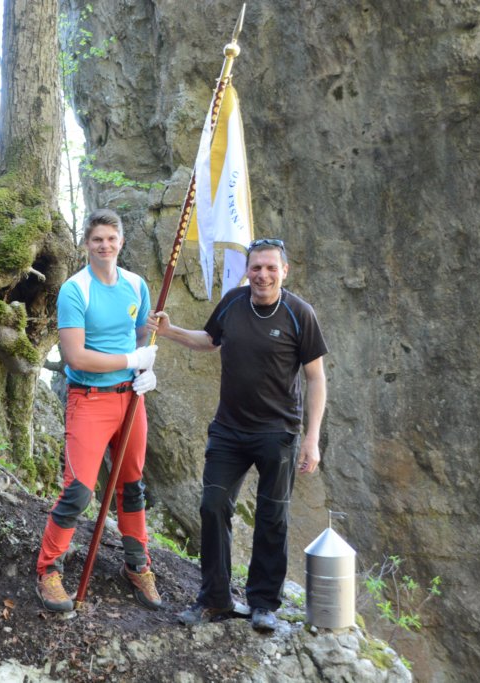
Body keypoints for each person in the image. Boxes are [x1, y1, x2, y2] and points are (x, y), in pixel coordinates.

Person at [149, 237, 327, 631]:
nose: (262, 275)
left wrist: (311, 439)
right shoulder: (233, 302)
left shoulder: (300, 313)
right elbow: (209, 341)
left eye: (270, 267)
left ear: (284, 271)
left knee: (272, 516)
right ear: (247, 270)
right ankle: (215, 599)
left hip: (278, 432)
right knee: (213, 506)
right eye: (255, 267)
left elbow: (316, 378)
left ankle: (264, 604)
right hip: (229, 430)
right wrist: (170, 330)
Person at [34, 209, 162, 613]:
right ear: (86, 244)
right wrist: (131, 358)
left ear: (121, 241)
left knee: (132, 485)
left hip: (131, 398)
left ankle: (137, 565)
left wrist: (146, 367)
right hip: (89, 399)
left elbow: (141, 336)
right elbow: (76, 356)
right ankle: (48, 569)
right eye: (97, 239)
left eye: (111, 238)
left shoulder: (136, 285)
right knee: (79, 490)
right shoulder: (76, 290)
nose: (105, 245)